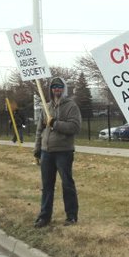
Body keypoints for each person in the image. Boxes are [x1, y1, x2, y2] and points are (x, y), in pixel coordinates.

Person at [33, 76, 81, 228]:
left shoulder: (71, 106)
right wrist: (37, 149)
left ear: (64, 89)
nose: (57, 90)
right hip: (46, 152)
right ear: (51, 90)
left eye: (60, 87)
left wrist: (55, 123)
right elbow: (40, 130)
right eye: (54, 87)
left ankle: (71, 216)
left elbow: (74, 127)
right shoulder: (46, 107)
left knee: (67, 184)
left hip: (64, 152)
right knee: (47, 186)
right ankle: (44, 217)